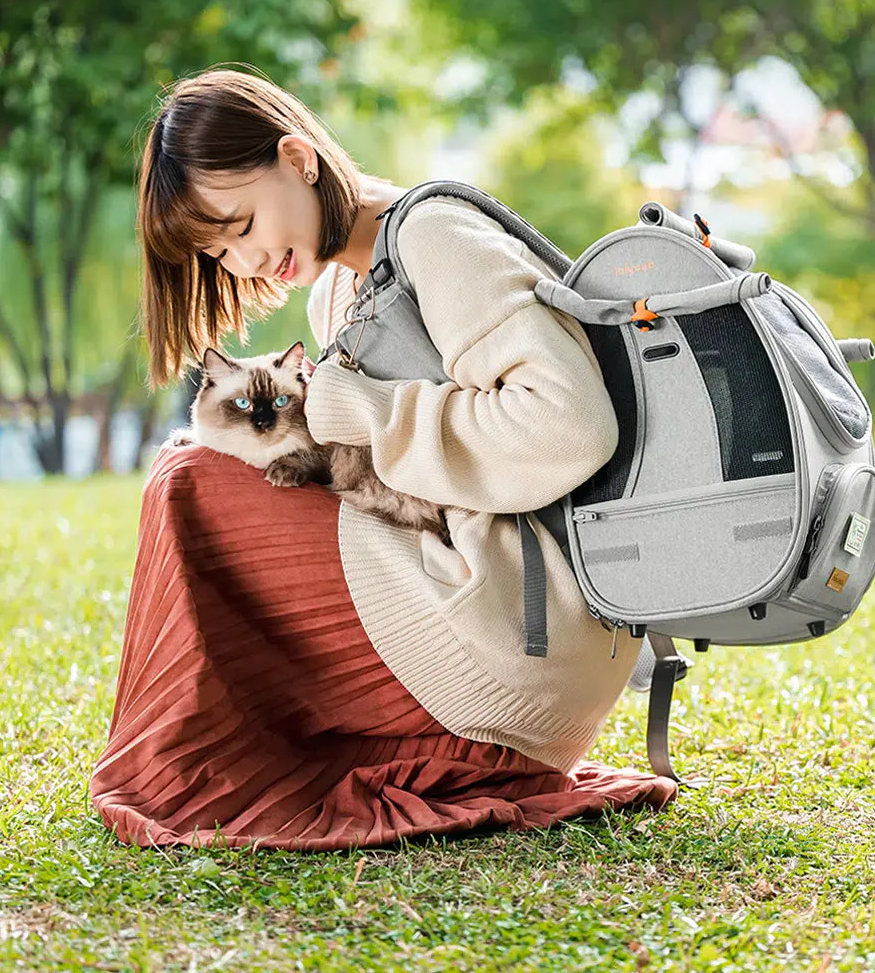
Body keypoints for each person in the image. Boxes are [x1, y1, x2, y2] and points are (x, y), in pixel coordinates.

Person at [90, 68, 676, 850]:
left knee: (187, 482)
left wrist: (363, 409)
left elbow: (571, 425)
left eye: (241, 225)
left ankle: (179, 769)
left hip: (518, 630)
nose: (244, 262)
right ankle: (218, 759)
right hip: (477, 601)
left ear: (297, 158)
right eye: (219, 253)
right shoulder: (337, 291)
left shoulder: (435, 238)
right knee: (208, 466)